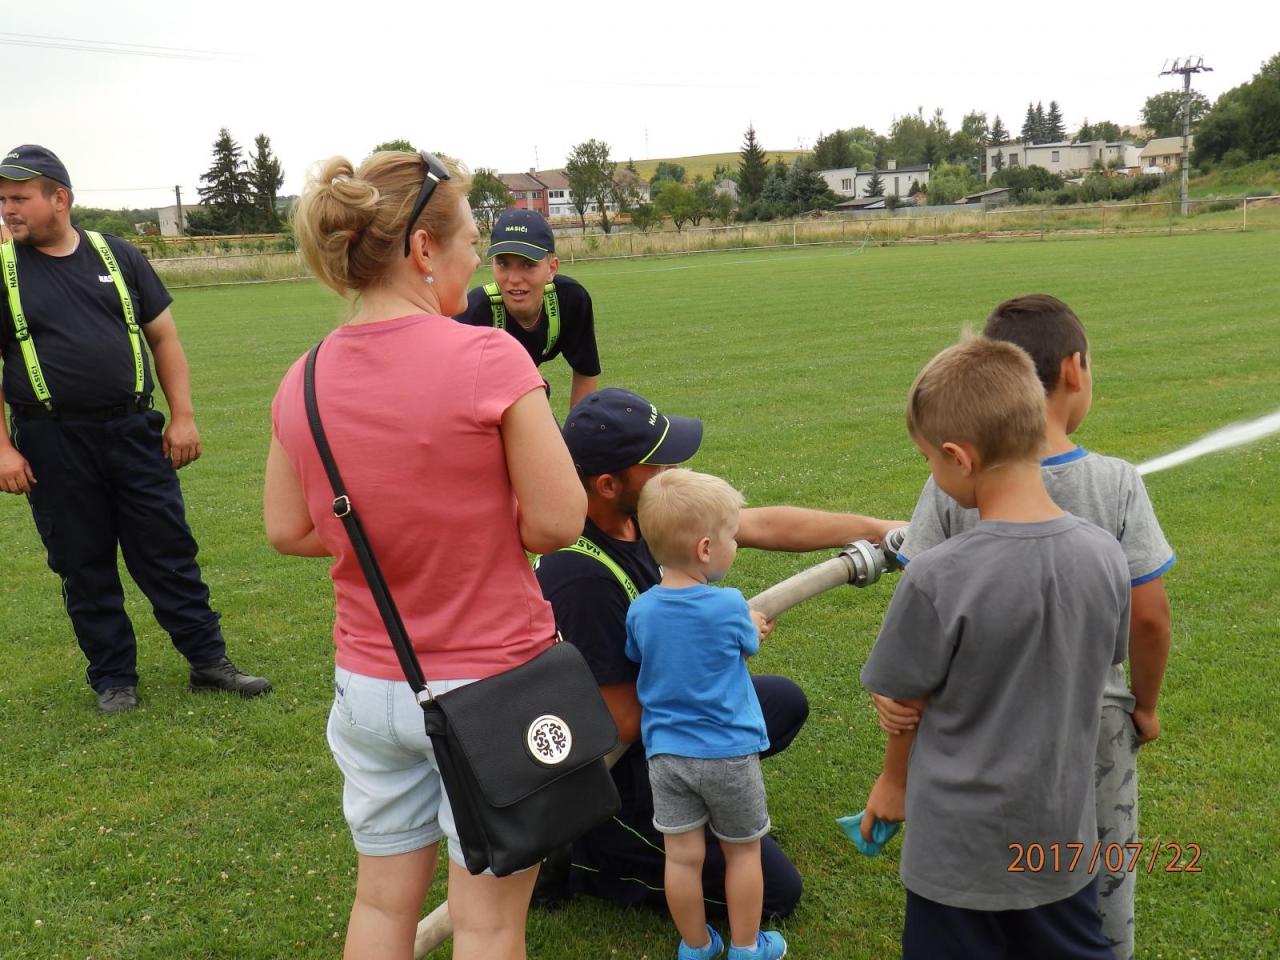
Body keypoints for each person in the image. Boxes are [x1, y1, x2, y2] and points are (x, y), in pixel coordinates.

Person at [264, 149, 584, 960]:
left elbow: (290, 529)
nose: (478, 260)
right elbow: (558, 521)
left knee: (380, 907)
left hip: (370, 686)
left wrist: (400, 524)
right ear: (422, 249)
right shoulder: (489, 356)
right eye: (471, 240)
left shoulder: (302, 377)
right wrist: (462, 525)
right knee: (488, 924)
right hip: (491, 682)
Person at [533, 385, 900, 918]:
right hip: (612, 769)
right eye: (658, 464)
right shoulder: (580, 577)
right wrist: (709, 648)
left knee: (781, 703)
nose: (672, 471)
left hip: (666, 727)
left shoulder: (648, 514)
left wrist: (879, 530)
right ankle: (590, 854)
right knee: (774, 894)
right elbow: (622, 722)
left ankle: (697, 801)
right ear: (608, 484)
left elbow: (760, 523)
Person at [884, 295, 1174, 960]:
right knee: (1092, 862)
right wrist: (1146, 705)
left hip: (969, 729)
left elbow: (914, 653)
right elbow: (1149, 618)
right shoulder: (1116, 491)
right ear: (1074, 369)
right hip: (1090, 718)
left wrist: (895, 768)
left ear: (953, 456)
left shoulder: (947, 502)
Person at [0, 144, 271, 713]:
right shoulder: (4, 271)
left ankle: (208, 662)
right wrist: (3, 449)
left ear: (59, 198)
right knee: (83, 562)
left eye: (19, 198)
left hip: (133, 432)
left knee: (168, 550)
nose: (8, 209)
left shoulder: (118, 254)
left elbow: (164, 337)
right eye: (3, 200)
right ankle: (114, 679)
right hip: (53, 441)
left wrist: (184, 417)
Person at [627, 468, 788, 960]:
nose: (734, 546)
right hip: (729, 756)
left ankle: (696, 945)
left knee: (682, 858)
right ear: (704, 549)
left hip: (666, 757)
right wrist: (752, 624)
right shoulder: (730, 605)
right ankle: (747, 947)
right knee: (742, 853)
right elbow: (747, 642)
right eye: (731, 538)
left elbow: (638, 653)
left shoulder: (641, 610)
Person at [454, 208, 600, 406]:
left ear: (552, 268)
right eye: (503, 264)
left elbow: (586, 371)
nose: (514, 279)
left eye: (528, 265)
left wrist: (576, 426)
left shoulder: (570, 300)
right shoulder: (474, 312)